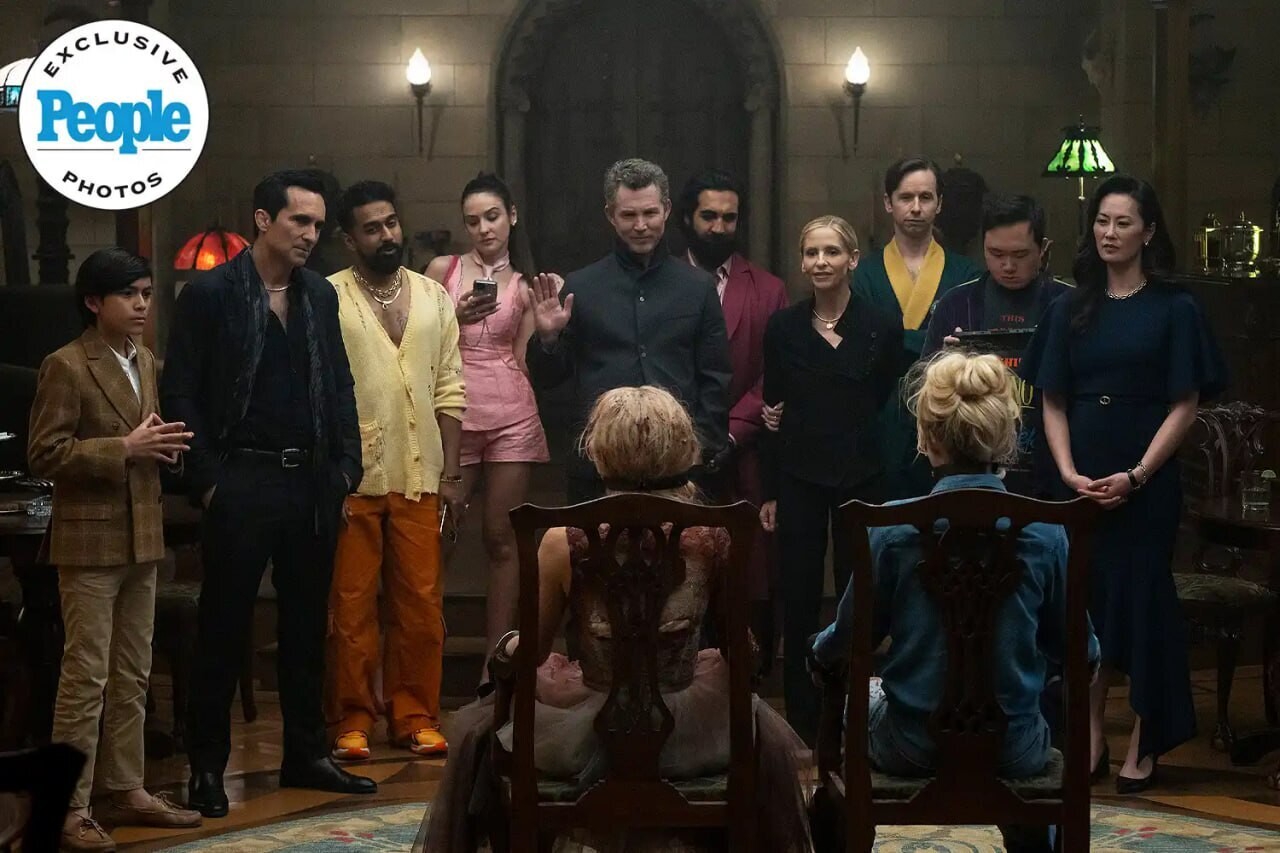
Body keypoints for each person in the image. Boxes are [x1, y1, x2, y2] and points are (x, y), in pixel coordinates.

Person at [416, 386, 812, 853]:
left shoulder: (562, 541)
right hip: (691, 731)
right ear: (681, 448)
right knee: (752, 717)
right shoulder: (712, 536)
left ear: (600, 451)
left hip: (592, 731)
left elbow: (533, 653)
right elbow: (739, 649)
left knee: (480, 727)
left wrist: (505, 649)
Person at [811, 350, 1101, 853]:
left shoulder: (890, 529)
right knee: (1026, 715)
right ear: (1006, 438)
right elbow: (1084, 656)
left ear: (927, 438)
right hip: (1015, 749)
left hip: (910, 745)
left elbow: (846, 641)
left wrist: (818, 654)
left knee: (870, 696)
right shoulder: (1048, 533)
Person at [161, 169, 374, 818]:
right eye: (298, 221)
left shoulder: (318, 293)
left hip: (310, 478)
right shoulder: (211, 294)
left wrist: (346, 467)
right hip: (241, 477)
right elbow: (181, 390)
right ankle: (206, 767)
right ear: (262, 220)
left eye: (317, 224)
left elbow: (339, 382)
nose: (310, 234)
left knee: (307, 628)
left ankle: (306, 753)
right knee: (223, 627)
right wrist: (208, 481)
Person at [1020, 175, 1227, 792]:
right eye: (1102, 221)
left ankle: (1144, 735)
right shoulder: (1069, 306)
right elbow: (1051, 397)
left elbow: (1185, 403)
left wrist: (1136, 476)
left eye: (1123, 222)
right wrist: (1067, 472)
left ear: (1149, 231)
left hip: (1146, 483)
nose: (1109, 233)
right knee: (1082, 605)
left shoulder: (1175, 308)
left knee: (1141, 604)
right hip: (1078, 482)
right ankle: (1088, 735)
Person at [28, 248, 201, 852]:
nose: (142, 305)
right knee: (86, 679)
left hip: (142, 535)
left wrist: (159, 448)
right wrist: (122, 449)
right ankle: (67, 808)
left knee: (133, 675)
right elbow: (44, 454)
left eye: (147, 294)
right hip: (88, 541)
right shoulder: (65, 365)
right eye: (129, 294)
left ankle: (125, 788)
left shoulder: (144, 358)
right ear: (93, 301)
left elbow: (140, 437)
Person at [326, 180, 465, 762]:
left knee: (421, 605)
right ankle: (352, 719)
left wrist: (451, 475)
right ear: (349, 238)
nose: (386, 236)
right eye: (371, 228)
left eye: (391, 223)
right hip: (352, 477)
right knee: (351, 606)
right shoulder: (328, 297)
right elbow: (320, 393)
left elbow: (450, 386)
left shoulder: (433, 296)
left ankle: (415, 716)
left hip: (421, 471)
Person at [757, 216, 900, 746]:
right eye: (812, 252)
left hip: (862, 475)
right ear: (801, 262)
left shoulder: (881, 325)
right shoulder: (783, 327)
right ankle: (802, 715)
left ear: (852, 260)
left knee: (856, 592)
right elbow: (773, 407)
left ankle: (852, 709)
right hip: (798, 475)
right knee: (797, 594)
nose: (821, 261)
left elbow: (880, 398)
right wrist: (770, 491)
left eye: (832, 252)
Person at [524, 158, 733, 503]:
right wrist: (548, 339)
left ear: (667, 210)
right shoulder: (581, 287)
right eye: (628, 215)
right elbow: (550, 380)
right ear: (610, 215)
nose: (640, 225)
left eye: (650, 213)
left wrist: (703, 448)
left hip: (678, 467)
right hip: (598, 466)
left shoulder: (697, 287)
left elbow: (716, 376)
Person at [425, 173, 549, 676]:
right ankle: (418, 662)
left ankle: (494, 669)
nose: (483, 228)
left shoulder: (526, 283)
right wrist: (451, 315)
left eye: (492, 217)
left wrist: (550, 335)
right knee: (438, 535)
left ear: (512, 216)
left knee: (502, 538)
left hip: (511, 412)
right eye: (472, 220)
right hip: (452, 410)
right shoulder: (443, 269)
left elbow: (522, 359)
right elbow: (415, 342)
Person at [677, 167, 789, 671]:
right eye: (709, 216)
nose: (719, 227)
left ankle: (747, 680)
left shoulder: (768, 289)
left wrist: (729, 431)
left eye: (729, 218)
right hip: (676, 454)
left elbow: (774, 374)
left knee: (749, 569)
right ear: (687, 218)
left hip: (743, 452)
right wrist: (688, 436)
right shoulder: (662, 283)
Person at [922, 194, 1073, 496]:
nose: (1007, 266)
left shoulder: (1070, 306)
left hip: (1053, 469)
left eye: (1020, 255)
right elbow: (926, 397)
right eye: (996, 253)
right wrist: (945, 367)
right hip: (970, 473)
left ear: (1043, 249)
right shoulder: (956, 304)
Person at [851, 157, 979, 498]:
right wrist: (935, 342)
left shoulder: (966, 274)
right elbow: (864, 346)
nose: (916, 208)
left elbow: (968, 346)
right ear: (888, 203)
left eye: (926, 197)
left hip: (947, 416)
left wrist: (893, 340)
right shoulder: (865, 274)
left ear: (940, 203)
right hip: (882, 417)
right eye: (906, 197)